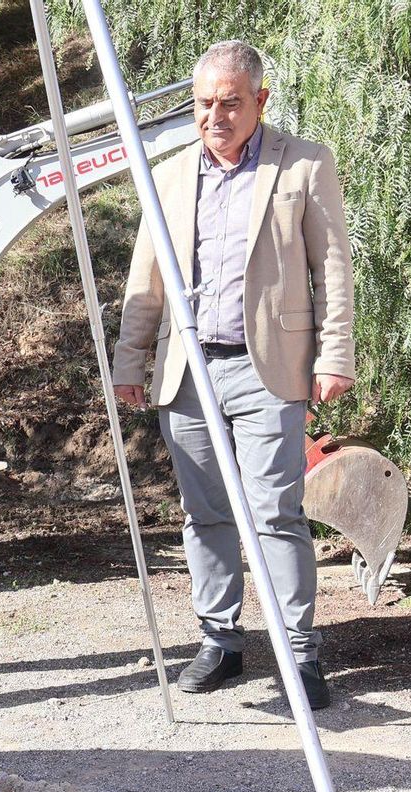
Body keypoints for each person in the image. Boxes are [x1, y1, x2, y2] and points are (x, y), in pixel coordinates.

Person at [111, 40, 355, 709]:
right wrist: (131, 361)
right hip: (188, 372)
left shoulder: (303, 165)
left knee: (275, 511)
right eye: (203, 104)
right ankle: (220, 641)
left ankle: (299, 654)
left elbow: (331, 268)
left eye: (230, 102)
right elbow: (147, 277)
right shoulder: (169, 172)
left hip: (266, 368)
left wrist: (335, 356)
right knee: (204, 512)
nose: (214, 116)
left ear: (261, 101)